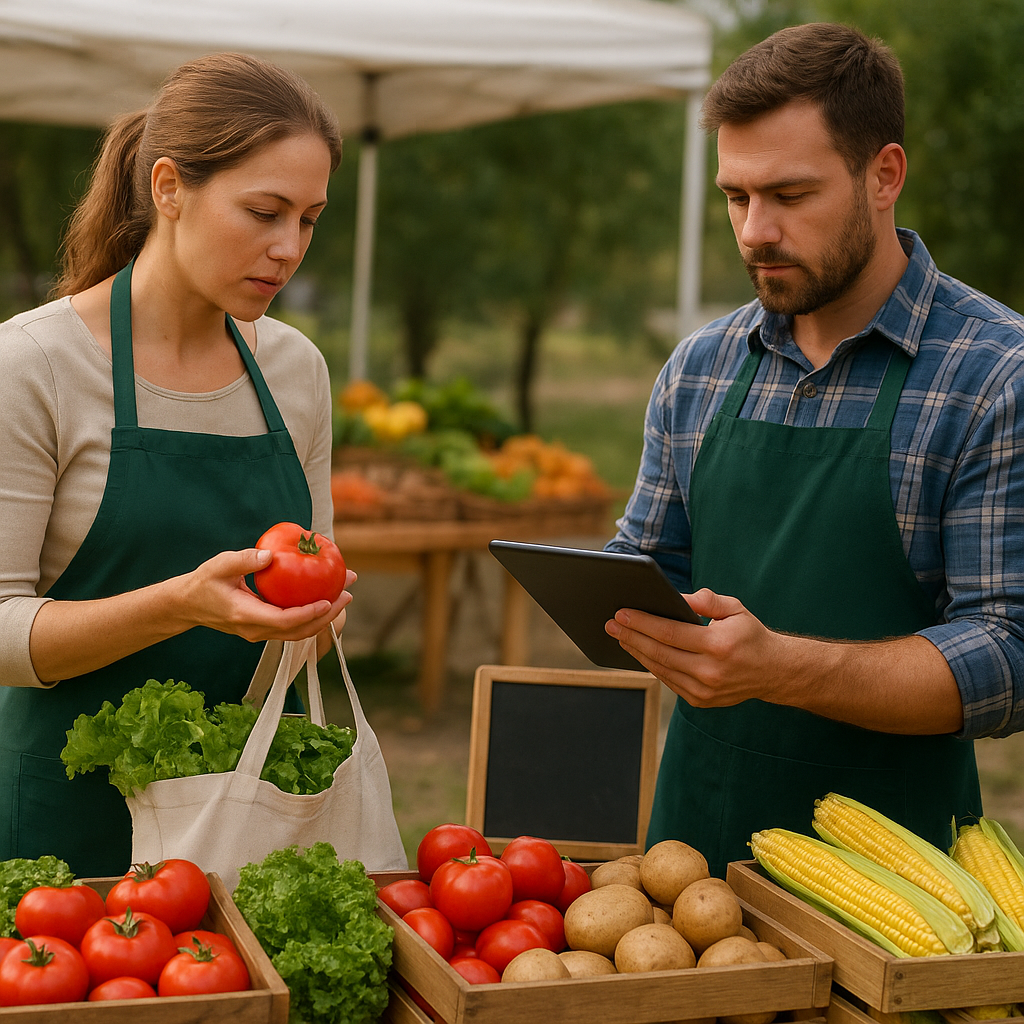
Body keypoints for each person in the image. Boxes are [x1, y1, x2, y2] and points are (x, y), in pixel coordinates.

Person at [604, 22, 1024, 877]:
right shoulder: (701, 366)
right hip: (692, 860)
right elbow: (646, 565)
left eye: (790, 195)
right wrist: (606, 597)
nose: (755, 230)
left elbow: (1008, 654)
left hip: (901, 877)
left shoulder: (993, 375)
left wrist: (780, 669)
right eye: (736, 197)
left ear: (884, 175)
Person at [0, 52, 354, 876]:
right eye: (263, 211)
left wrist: (315, 621)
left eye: (308, 219)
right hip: (65, 825)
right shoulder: (36, 364)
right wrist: (183, 605)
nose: (288, 248)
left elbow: (317, 595)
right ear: (168, 187)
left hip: (242, 810)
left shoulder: (296, 370)